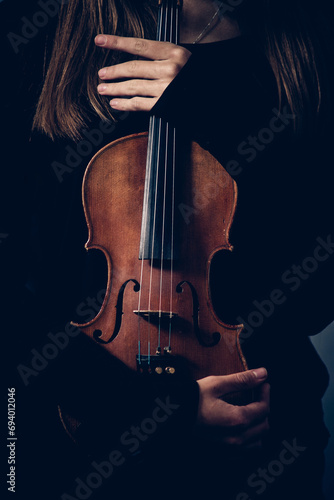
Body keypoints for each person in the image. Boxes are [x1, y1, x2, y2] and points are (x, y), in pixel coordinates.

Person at [5, 0, 334, 499]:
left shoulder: (311, 32)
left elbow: (315, 296)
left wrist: (222, 114)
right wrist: (151, 411)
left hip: (260, 437)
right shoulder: (38, 28)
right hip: (75, 431)